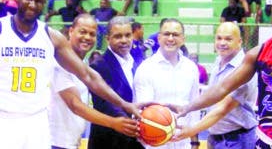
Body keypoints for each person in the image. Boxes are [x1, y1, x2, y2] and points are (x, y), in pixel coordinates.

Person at [0, 0, 142, 149]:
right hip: (5, 118)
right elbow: (75, 104)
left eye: (38, 0)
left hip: (36, 123)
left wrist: (124, 104)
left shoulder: (51, 37)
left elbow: (88, 75)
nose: (32, 5)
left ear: (44, 3)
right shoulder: (2, 29)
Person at [170, 0, 272, 149]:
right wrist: (188, 108)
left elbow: (224, 106)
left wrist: (192, 129)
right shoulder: (258, 54)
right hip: (267, 140)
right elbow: (222, 88)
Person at [49, 14, 140, 149]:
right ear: (71, 31)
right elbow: (75, 105)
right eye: (83, 32)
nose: (87, 37)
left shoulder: (83, 64)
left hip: (71, 143)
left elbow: (94, 83)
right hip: (54, 141)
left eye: (92, 34)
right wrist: (114, 122)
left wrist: (127, 105)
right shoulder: (59, 62)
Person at [174, 22, 258, 149]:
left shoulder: (244, 68)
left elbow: (222, 109)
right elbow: (212, 94)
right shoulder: (219, 60)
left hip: (237, 140)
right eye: (219, 38)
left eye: (228, 39)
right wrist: (187, 108)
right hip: (215, 137)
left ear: (239, 42)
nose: (222, 43)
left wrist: (192, 130)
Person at [134, 18, 200, 149]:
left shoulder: (191, 68)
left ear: (183, 39)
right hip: (155, 144)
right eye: (166, 34)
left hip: (184, 144)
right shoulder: (145, 68)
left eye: (175, 35)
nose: (170, 38)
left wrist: (195, 142)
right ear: (159, 38)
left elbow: (194, 108)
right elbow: (144, 112)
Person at [88, 16, 144, 149]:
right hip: (109, 142)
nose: (124, 40)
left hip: (134, 141)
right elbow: (106, 104)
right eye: (118, 36)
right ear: (108, 38)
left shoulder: (136, 63)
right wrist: (135, 124)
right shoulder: (99, 65)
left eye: (127, 35)